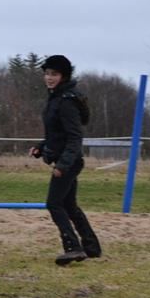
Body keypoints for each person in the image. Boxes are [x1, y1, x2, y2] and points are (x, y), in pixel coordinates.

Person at [29, 55, 102, 265]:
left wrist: (62, 165)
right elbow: (56, 134)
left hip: (69, 163)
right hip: (66, 160)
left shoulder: (66, 101)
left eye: (54, 74)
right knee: (69, 205)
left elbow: (74, 137)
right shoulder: (56, 97)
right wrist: (40, 148)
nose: (49, 78)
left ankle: (73, 247)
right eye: (47, 73)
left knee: (53, 204)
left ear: (64, 76)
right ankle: (92, 247)